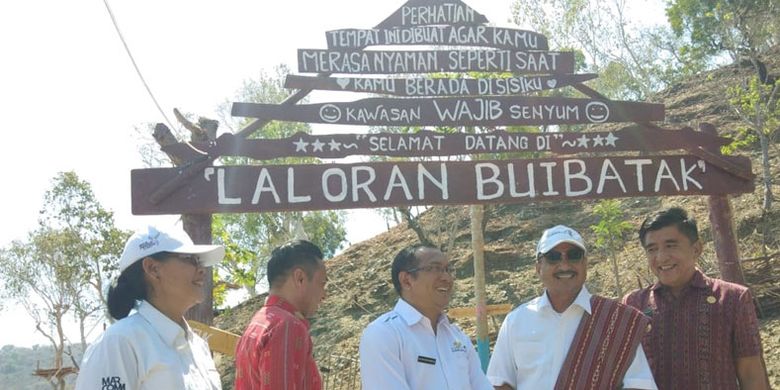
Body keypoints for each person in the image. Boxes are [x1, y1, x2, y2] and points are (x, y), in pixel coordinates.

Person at [487, 225, 657, 390]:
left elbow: (639, 384)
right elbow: (499, 382)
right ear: (538, 267)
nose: (565, 265)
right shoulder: (517, 321)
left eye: (574, 255)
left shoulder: (616, 321)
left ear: (585, 264)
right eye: (553, 257)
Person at [623, 208, 769, 390]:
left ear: (696, 249)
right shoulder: (634, 304)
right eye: (652, 249)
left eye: (671, 245)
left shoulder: (732, 298)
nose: (661, 257)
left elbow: (750, 373)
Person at [75, 225, 225, 390]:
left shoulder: (199, 347)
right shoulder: (118, 343)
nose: (202, 270)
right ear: (153, 269)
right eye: (190, 258)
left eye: (199, 261)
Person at [359, 244, 493, 390]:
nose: (447, 278)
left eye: (448, 270)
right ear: (406, 280)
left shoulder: (457, 337)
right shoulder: (383, 334)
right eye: (435, 268)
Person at [234, 240, 327, 390]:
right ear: (300, 278)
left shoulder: (258, 321)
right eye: (322, 284)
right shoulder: (288, 326)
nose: (324, 294)